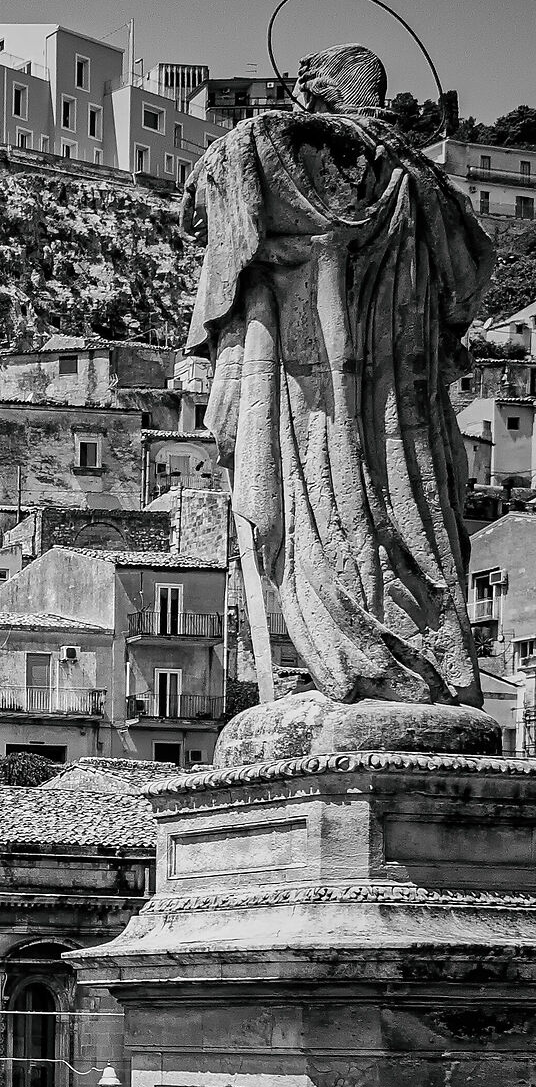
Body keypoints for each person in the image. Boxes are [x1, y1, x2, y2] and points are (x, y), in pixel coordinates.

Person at [188, 43, 493, 715]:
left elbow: (233, 171)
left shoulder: (308, 152)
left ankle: (361, 659)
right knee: (416, 510)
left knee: (323, 512)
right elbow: (470, 278)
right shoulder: (427, 187)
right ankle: (431, 658)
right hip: (407, 395)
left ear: (323, 93)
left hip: (317, 393)